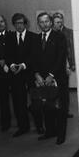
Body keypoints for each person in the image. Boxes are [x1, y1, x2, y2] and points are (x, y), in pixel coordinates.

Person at [32, 12, 68, 145]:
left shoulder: (59, 37)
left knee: (60, 108)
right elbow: (33, 58)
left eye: (46, 21)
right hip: (41, 79)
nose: (44, 24)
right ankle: (50, 132)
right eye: (41, 22)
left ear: (51, 22)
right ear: (38, 24)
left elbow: (60, 58)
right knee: (47, 107)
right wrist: (36, 74)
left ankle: (60, 134)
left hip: (57, 78)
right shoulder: (36, 38)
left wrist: (51, 75)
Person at [5, 13, 39, 137]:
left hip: (30, 73)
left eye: (21, 23)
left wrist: (23, 65)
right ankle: (22, 127)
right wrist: (12, 64)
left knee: (36, 100)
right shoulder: (9, 38)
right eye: (16, 23)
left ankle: (39, 126)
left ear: (25, 24)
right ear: (13, 25)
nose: (19, 26)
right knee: (19, 102)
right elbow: (7, 55)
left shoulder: (34, 37)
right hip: (16, 75)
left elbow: (35, 56)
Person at [53, 12, 75, 118]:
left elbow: (71, 48)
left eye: (60, 21)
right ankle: (56, 110)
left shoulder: (68, 32)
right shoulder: (51, 33)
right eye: (57, 22)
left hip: (65, 64)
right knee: (55, 90)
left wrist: (72, 63)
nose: (59, 24)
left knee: (64, 91)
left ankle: (65, 111)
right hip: (54, 65)